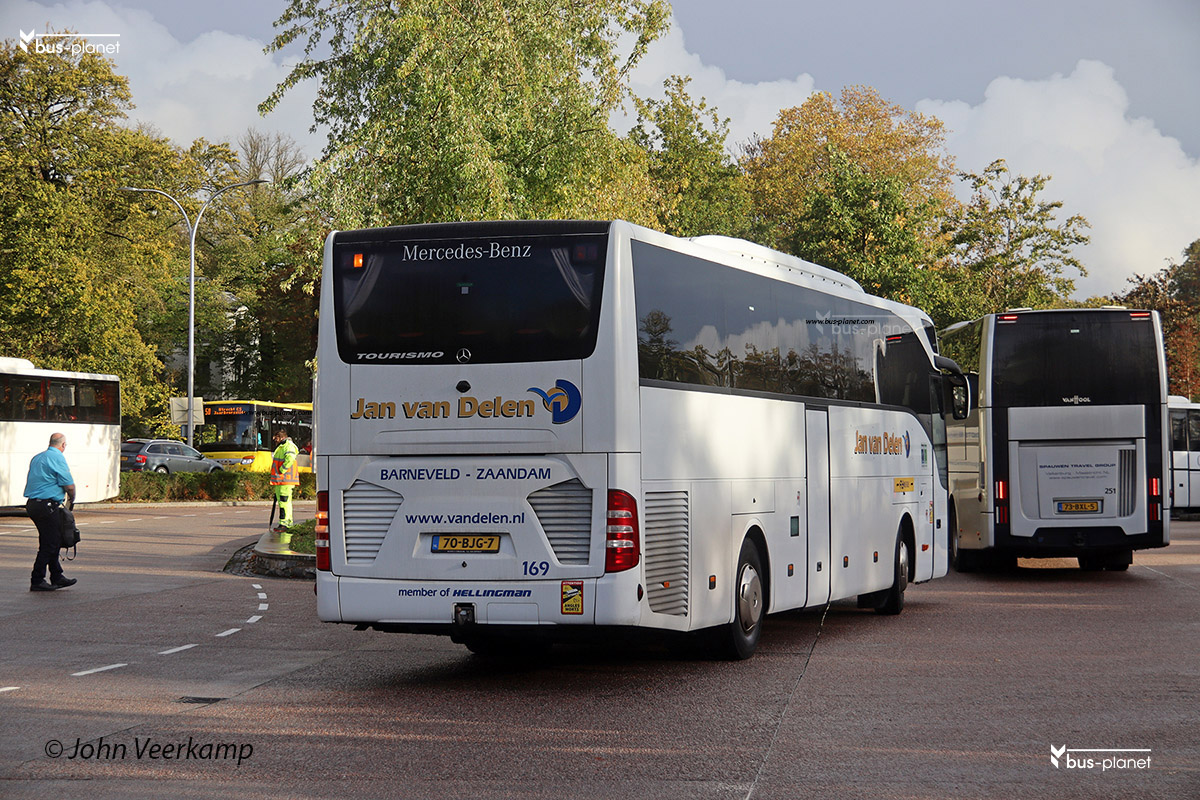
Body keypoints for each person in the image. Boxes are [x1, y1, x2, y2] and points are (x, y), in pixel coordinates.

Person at [24, 432, 77, 592]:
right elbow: (68, 484)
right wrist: (72, 497)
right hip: (47, 505)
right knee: (50, 543)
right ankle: (37, 579)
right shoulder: (57, 457)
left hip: (33, 504)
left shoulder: (38, 457)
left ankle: (57, 576)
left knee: (51, 539)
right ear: (63, 445)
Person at [269, 427, 300, 540]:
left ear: (281, 437)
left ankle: (284, 524)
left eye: (276, 437)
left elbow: (290, 459)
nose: (274, 439)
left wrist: (282, 470)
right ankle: (287, 522)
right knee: (284, 502)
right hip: (282, 480)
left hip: (285, 480)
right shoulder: (283, 446)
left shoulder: (288, 446)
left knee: (284, 502)